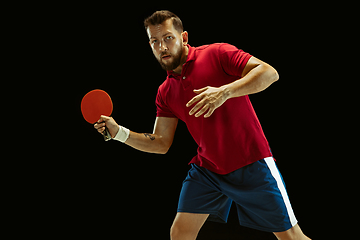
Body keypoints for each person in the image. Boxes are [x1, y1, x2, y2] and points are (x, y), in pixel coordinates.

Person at [94, 10, 311, 240]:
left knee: (291, 237)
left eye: (168, 38)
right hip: (209, 169)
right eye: (154, 41)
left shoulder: (217, 54)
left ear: (184, 38)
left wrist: (224, 92)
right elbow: (161, 143)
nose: (162, 47)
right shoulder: (165, 92)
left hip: (251, 161)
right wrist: (119, 133)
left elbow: (269, 73)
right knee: (179, 233)